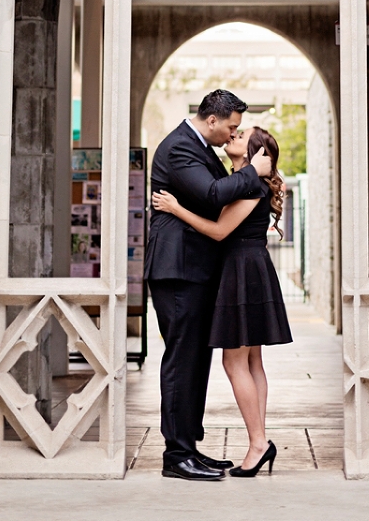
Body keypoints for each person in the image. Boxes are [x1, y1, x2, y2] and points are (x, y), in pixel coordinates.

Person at [144, 89, 274, 482]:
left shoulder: (201, 148)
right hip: (178, 270)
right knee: (182, 360)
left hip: (196, 270)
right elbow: (214, 195)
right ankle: (176, 455)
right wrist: (257, 171)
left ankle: (189, 448)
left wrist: (249, 175)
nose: (232, 134)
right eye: (231, 127)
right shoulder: (180, 147)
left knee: (195, 361)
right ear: (212, 119)